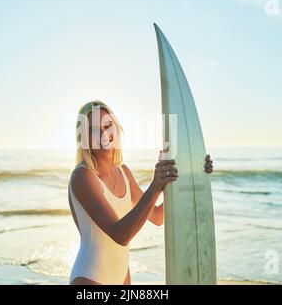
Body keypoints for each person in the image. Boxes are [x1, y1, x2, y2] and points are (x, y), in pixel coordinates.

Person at [68, 100, 213, 285]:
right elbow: (120, 234)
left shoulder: (123, 172)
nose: (104, 134)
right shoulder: (82, 176)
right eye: (93, 131)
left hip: (122, 278)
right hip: (90, 278)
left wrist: (193, 173)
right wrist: (155, 186)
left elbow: (158, 217)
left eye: (107, 125)